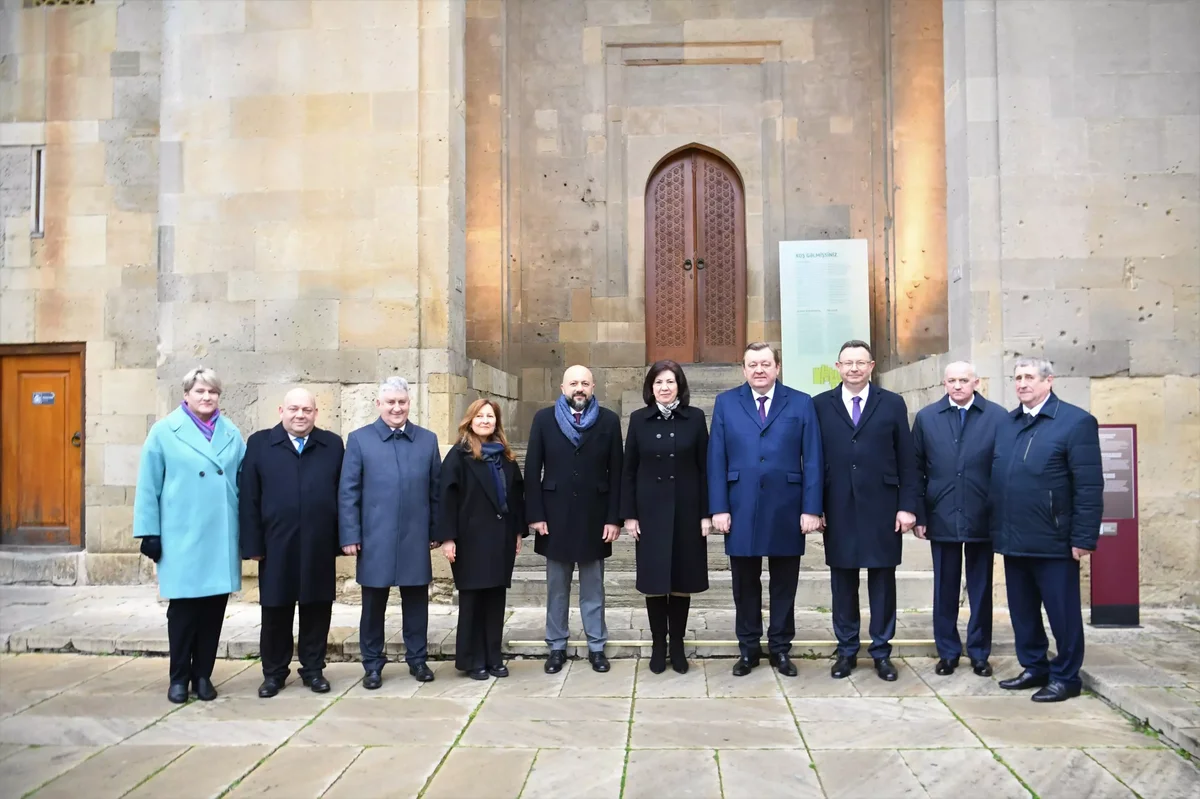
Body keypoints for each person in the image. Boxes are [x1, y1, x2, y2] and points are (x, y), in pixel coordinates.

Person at [708, 343, 823, 678]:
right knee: (744, 583)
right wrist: (718, 507)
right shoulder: (726, 403)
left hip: (787, 506)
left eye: (766, 364)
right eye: (752, 364)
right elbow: (716, 459)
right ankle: (748, 649)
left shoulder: (800, 402)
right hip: (740, 505)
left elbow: (813, 459)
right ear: (743, 369)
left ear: (778, 367)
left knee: (784, 583)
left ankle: (781, 648)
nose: (759, 370)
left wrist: (811, 508)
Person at [991, 357, 1102, 702]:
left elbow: (1088, 486)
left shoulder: (1075, 422)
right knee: (1023, 611)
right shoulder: (1009, 423)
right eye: (1017, 378)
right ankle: (1034, 666)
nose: (1022, 384)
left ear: (1048, 381)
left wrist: (1083, 537)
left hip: (1054, 540)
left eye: (1029, 378)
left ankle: (1066, 677)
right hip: (1014, 537)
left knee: (1062, 613)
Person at [134, 367, 246, 704]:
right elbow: (148, 484)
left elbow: (242, 482)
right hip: (180, 535)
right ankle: (179, 677)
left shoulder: (231, 433)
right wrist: (148, 531)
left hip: (220, 534)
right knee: (183, 612)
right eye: (200, 391)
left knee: (213, 610)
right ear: (186, 395)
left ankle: (204, 676)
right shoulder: (164, 431)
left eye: (212, 392)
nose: (206, 397)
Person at [814, 340, 919, 682]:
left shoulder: (891, 403)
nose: (854, 368)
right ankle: (846, 652)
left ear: (872, 366)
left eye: (861, 362)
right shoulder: (820, 406)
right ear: (838, 367)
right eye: (848, 363)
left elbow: (907, 458)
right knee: (843, 582)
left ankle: (881, 652)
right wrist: (815, 507)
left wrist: (907, 506)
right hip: (838, 504)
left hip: (883, 506)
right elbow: (813, 461)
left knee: (882, 582)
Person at [239, 388, 344, 698]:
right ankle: (274, 673)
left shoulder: (332, 445)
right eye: (294, 409)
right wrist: (252, 544)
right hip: (275, 543)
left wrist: (341, 539)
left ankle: (313, 669)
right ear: (281, 410)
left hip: (319, 542)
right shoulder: (260, 443)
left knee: (317, 608)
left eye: (307, 410)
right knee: (275, 610)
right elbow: (249, 496)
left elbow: (344, 493)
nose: (301, 415)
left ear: (315, 413)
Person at [339, 377, 441, 689]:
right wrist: (350, 535)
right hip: (375, 537)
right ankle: (372, 664)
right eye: (391, 402)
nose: (397, 408)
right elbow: (348, 491)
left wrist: (436, 529)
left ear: (410, 403)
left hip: (415, 534)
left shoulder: (426, 439)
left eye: (402, 402)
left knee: (416, 601)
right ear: (379, 404)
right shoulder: (359, 439)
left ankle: (418, 659)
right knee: (373, 605)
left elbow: (436, 491)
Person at [524, 364, 623, 674]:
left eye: (584, 383)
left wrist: (614, 518)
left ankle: (596, 645)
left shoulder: (608, 421)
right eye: (573, 383)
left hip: (595, 517)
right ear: (562, 388)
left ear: (593, 387)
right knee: (557, 587)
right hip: (554, 517)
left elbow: (617, 473)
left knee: (594, 587)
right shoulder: (543, 420)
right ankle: (556, 645)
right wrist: (536, 515)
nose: (579, 388)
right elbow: (531, 471)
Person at [912, 362, 1006, 677]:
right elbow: (916, 470)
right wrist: (920, 514)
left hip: (983, 515)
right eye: (951, 380)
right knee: (945, 586)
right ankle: (948, 652)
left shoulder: (996, 417)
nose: (957, 386)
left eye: (963, 380)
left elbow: (1004, 469)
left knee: (980, 589)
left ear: (976, 382)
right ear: (944, 383)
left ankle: (980, 653)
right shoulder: (927, 418)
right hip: (941, 514)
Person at [620, 361, 711, 675]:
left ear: (679, 385)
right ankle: (659, 644)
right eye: (658, 382)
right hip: (650, 512)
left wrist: (705, 515)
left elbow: (705, 469)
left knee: (682, 578)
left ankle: (678, 645)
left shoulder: (695, 418)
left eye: (670, 381)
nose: (664, 387)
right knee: (656, 580)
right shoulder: (639, 419)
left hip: (687, 511)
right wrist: (629, 515)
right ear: (651, 387)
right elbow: (628, 470)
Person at [439, 399, 527, 680]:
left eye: (490, 416)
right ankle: (472, 658)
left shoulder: (505, 456)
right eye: (481, 416)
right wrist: (447, 538)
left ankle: (493, 656)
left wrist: (516, 531)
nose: (486, 420)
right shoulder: (458, 455)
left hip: (500, 539)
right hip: (470, 540)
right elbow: (446, 499)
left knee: (495, 599)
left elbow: (516, 497)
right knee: (473, 601)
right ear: (470, 420)